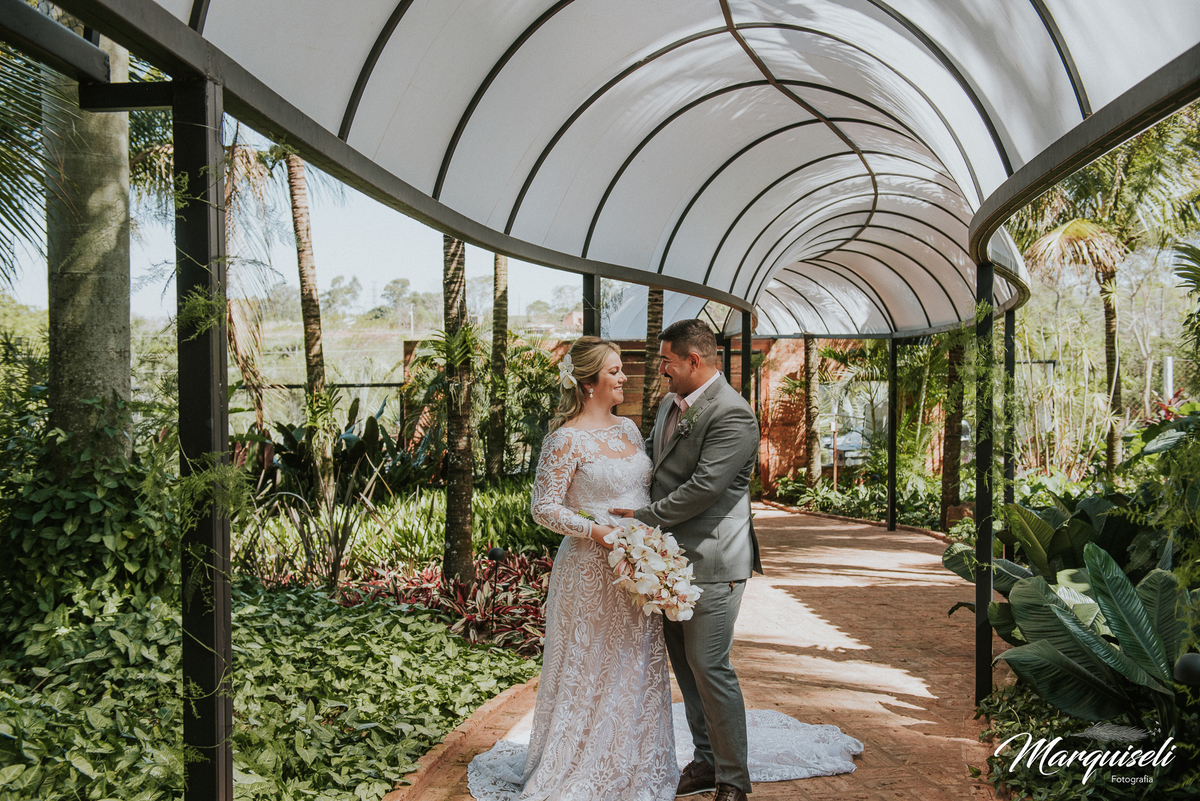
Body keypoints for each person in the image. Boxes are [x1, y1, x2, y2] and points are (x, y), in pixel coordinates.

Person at [468, 336, 679, 801]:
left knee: (635, 662)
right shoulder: (564, 439)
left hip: (637, 568)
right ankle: (579, 765)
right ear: (588, 383)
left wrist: (649, 546)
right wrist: (597, 532)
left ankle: (633, 760)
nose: (624, 377)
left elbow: (642, 494)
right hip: (589, 571)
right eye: (614, 371)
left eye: (621, 369)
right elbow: (543, 508)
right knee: (590, 664)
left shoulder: (629, 430)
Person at [611, 319, 759, 801]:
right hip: (667, 563)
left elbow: (704, 488)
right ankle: (706, 762)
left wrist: (640, 518)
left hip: (713, 563)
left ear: (694, 360)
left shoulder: (733, 415)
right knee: (688, 670)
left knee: (710, 667)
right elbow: (655, 467)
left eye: (666, 361)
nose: (661, 370)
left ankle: (734, 782)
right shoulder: (667, 405)